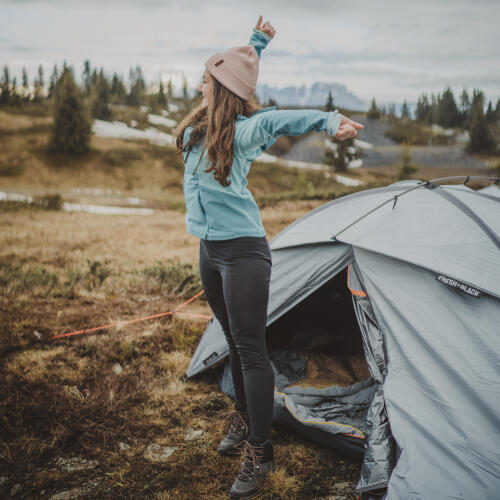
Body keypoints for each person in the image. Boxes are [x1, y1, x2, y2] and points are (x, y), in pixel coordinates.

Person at [174, 15, 364, 499]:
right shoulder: (200, 129)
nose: (199, 82)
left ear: (220, 88)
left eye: (206, 78)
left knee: (251, 348)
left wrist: (328, 121)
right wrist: (256, 42)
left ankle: (262, 453)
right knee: (234, 344)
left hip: (243, 255)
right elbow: (242, 67)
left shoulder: (246, 132)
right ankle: (242, 416)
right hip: (210, 253)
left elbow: (283, 120)